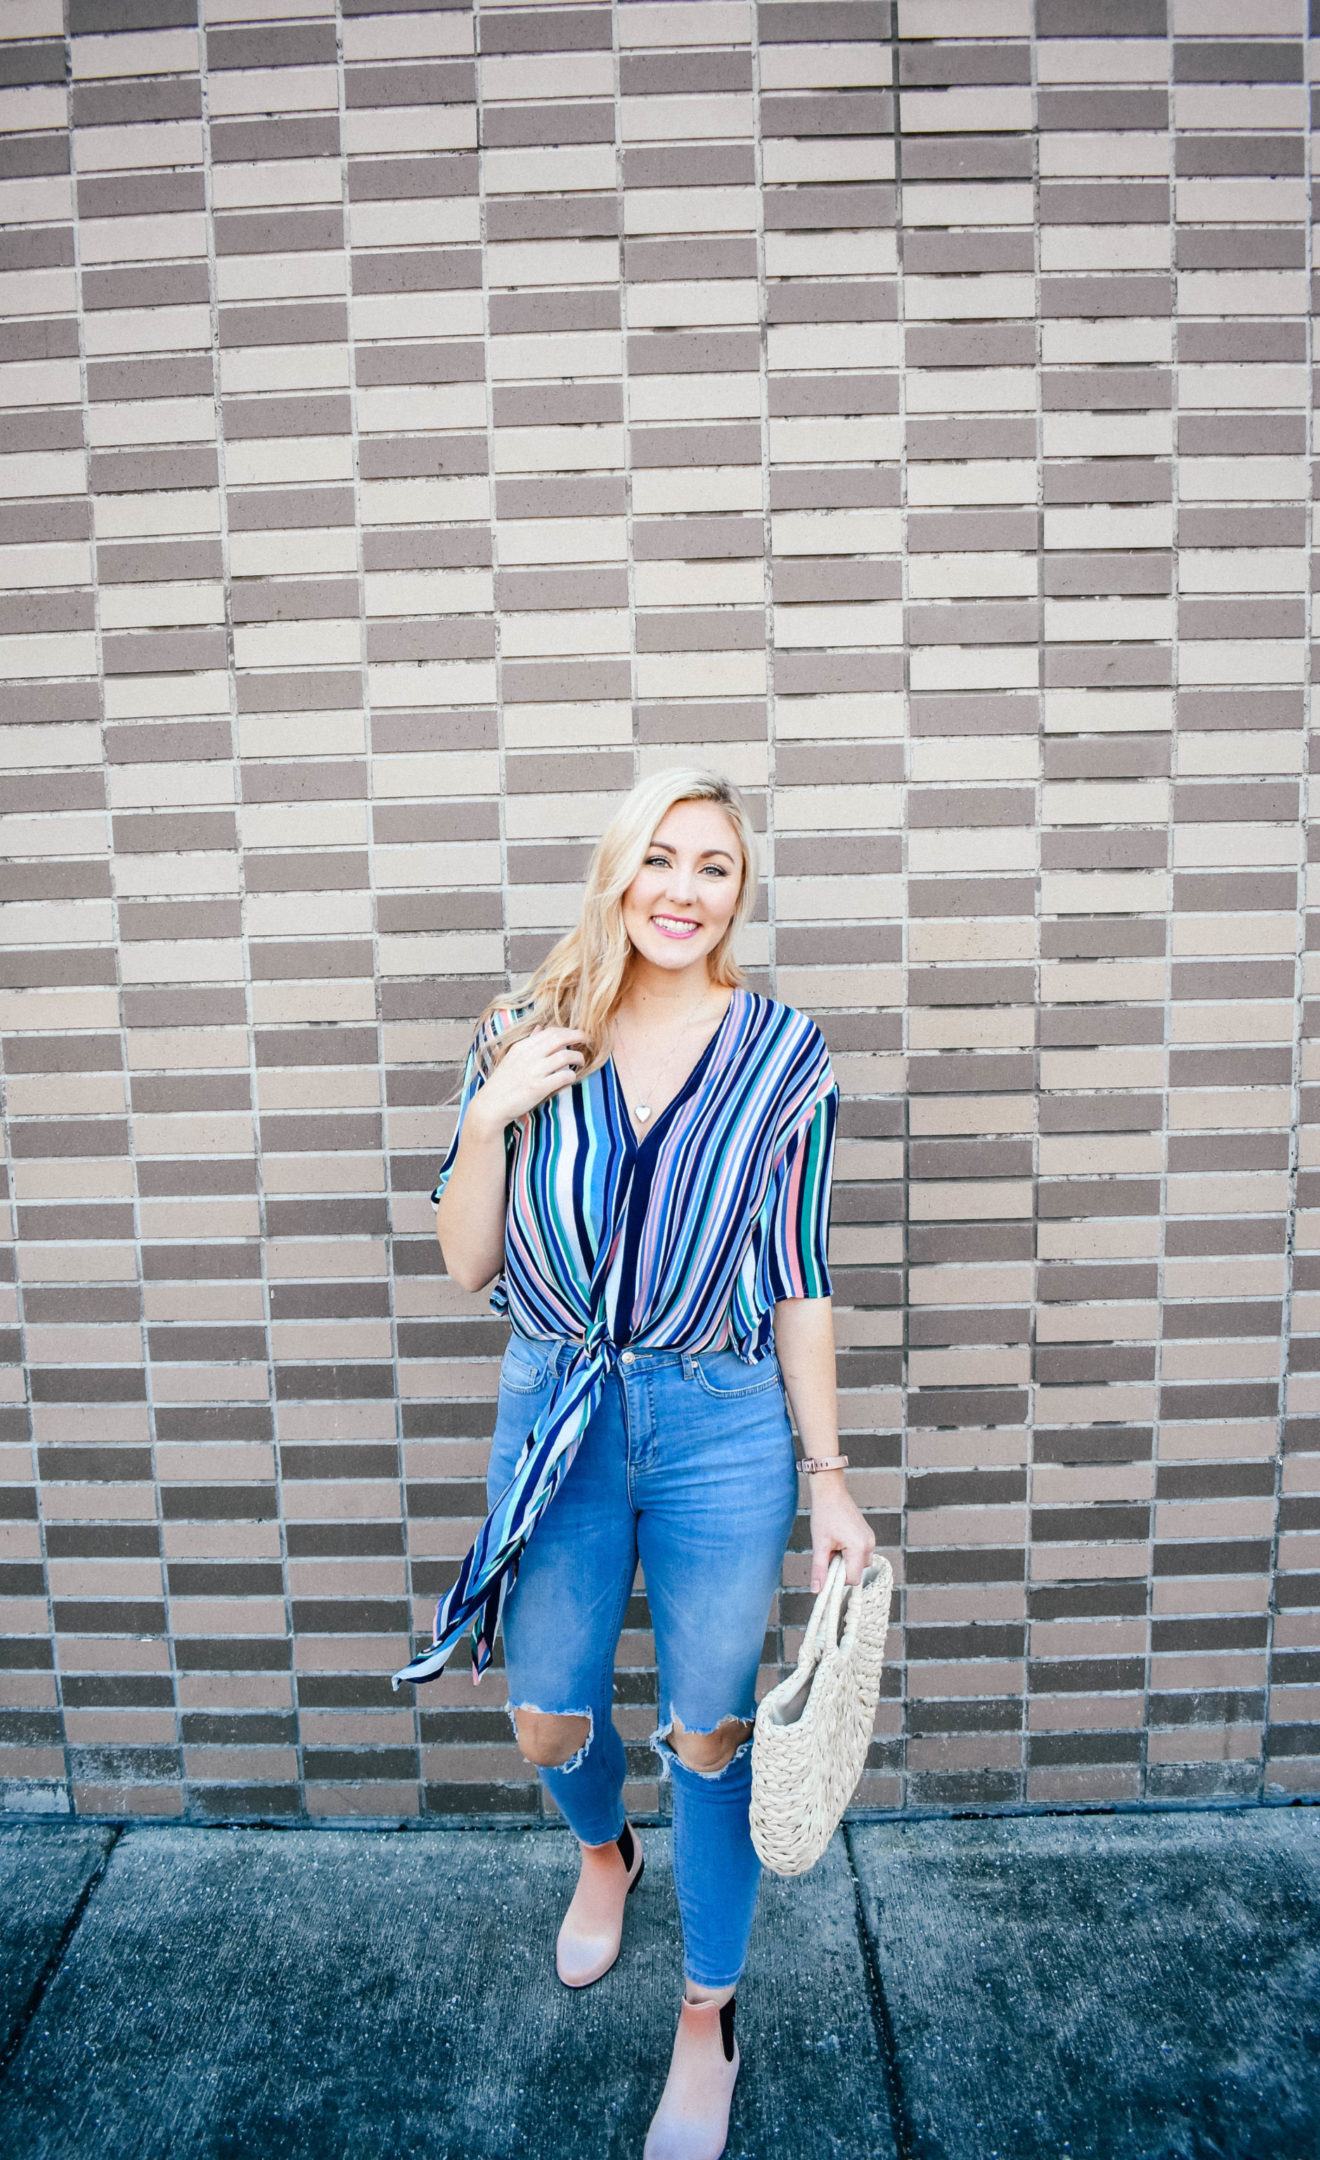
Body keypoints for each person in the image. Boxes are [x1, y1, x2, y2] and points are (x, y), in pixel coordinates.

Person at [395, 768, 876, 2160]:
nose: (682, 889)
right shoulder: (520, 1029)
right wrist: (490, 1117)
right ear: (617, 873)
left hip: (722, 1426)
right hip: (558, 1410)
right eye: (659, 859)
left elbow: (798, 1275)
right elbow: (467, 1261)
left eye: (713, 867)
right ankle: (607, 1853)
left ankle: (707, 2018)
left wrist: (829, 1474)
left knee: (711, 1736)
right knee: (549, 1717)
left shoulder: (785, 1054)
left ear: (741, 893)